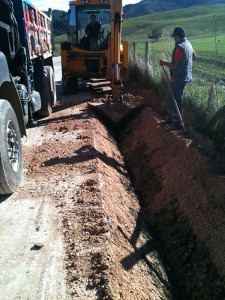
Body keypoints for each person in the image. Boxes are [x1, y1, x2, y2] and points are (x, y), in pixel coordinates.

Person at [159, 27, 196, 131]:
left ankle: (176, 124)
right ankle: (170, 118)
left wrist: (163, 63)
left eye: (174, 37)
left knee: (176, 99)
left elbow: (174, 66)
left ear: (177, 36)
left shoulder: (180, 47)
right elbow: (194, 56)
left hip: (179, 77)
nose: (174, 39)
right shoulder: (188, 44)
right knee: (170, 97)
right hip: (184, 75)